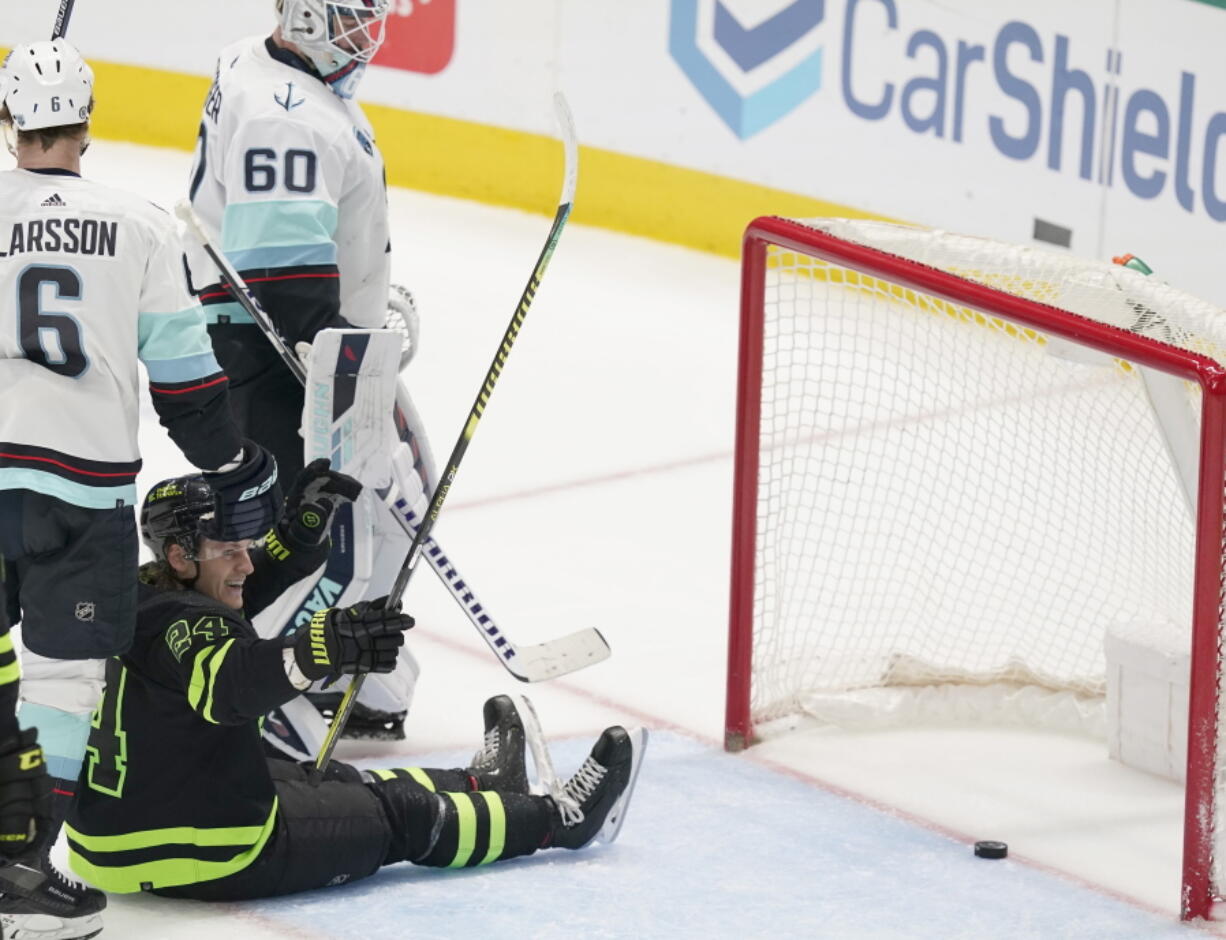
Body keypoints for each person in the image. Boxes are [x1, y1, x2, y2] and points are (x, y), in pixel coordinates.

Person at [0, 39, 282, 940]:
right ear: (89, 119)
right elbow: (189, 390)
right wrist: (233, 461)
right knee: (66, 681)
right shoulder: (142, 225)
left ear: (11, 120)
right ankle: (26, 875)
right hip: (81, 497)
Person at [65, 466, 643, 901]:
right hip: (202, 851)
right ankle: (558, 822)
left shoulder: (144, 593)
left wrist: (294, 543)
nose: (245, 564)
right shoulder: (189, 626)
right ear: (179, 554)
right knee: (402, 815)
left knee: (331, 778)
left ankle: (482, 781)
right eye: (230, 551)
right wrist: (326, 646)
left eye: (247, 547)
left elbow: (228, 603)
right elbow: (230, 685)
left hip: (117, 834)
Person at [185, 0, 430, 748]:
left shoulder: (263, 64)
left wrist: (358, 307)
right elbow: (286, 288)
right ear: (308, 15)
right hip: (271, 354)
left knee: (403, 500)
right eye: (355, 16)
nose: (372, 30)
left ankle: (357, 674)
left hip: (301, 335)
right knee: (325, 538)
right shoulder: (287, 116)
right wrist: (351, 353)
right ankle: (257, 696)